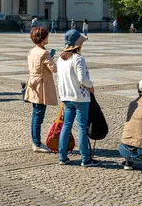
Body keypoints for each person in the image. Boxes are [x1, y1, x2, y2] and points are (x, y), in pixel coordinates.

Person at [56, 29, 98, 167]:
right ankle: (85, 159)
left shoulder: (60, 59)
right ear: (78, 44)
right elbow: (82, 79)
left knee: (66, 126)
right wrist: (90, 85)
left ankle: (62, 156)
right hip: (80, 98)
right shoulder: (78, 59)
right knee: (81, 127)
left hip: (66, 97)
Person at [24, 26, 57, 152]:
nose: (48, 37)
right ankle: (37, 143)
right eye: (47, 35)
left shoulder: (32, 51)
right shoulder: (44, 53)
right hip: (41, 86)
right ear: (43, 38)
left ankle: (35, 141)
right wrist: (54, 62)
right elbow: (54, 69)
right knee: (38, 116)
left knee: (35, 114)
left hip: (33, 83)